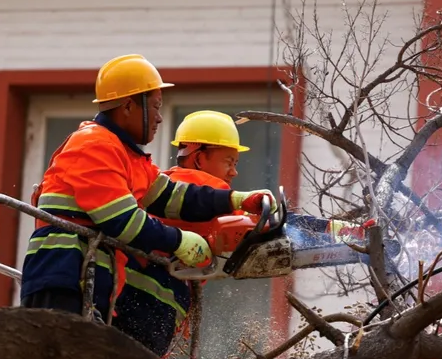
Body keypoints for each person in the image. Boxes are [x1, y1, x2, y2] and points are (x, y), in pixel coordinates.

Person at [19, 54, 276, 325]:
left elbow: (172, 197)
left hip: (84, 278)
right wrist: (179, 241)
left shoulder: (126, 155)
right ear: (129, 106)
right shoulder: (95, 145)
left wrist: (236, 199)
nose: (160, 118)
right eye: (155, 106)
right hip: (62, 275)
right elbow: (123, 220)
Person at [112, 110, 373, 359]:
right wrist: (334, 231)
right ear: (199, 157)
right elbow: (261, 224)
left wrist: (331, 229)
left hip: (136, 299)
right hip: (149, 301)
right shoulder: (197, 184)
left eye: (235, 163)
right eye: (228, 162)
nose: (234, 172)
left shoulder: (169, 185)